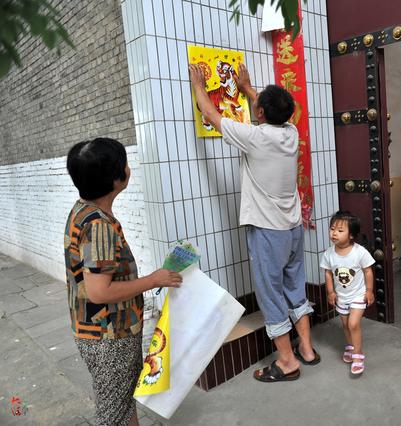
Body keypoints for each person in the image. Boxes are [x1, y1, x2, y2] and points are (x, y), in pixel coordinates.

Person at [189, 63, 319, 382]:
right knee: (294, 286)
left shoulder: (255, 137)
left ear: (260, 112)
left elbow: (210, 113)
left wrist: (198, 84)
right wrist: (247, 88)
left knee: (270, 294)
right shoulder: (290, 133)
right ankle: (308, 349)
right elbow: (268, 108)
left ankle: (287, 362)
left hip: (269, 233)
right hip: (292, 229)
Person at [65, 138, 183, 425]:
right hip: (109, 337)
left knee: (120, 402)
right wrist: (152, 280)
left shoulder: (84, 210)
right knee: (113, 414)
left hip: (99, 331)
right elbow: (98, 291)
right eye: (125, 164)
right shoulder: (99, 226)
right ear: (116, 178)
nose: (129, 169)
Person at [320, 211, 375, 375]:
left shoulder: (360, 252)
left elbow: (368, 272)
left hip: (358, 295)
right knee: (344, 324)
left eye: (340, 230)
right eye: (332, 229)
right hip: (341, 297)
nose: (334, 233)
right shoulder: (329, 254)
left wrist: (369, 291)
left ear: (351, 235)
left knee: (353, 324)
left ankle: (358, 356)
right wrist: (330, 292)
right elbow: (328, 273)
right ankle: (351, 346)